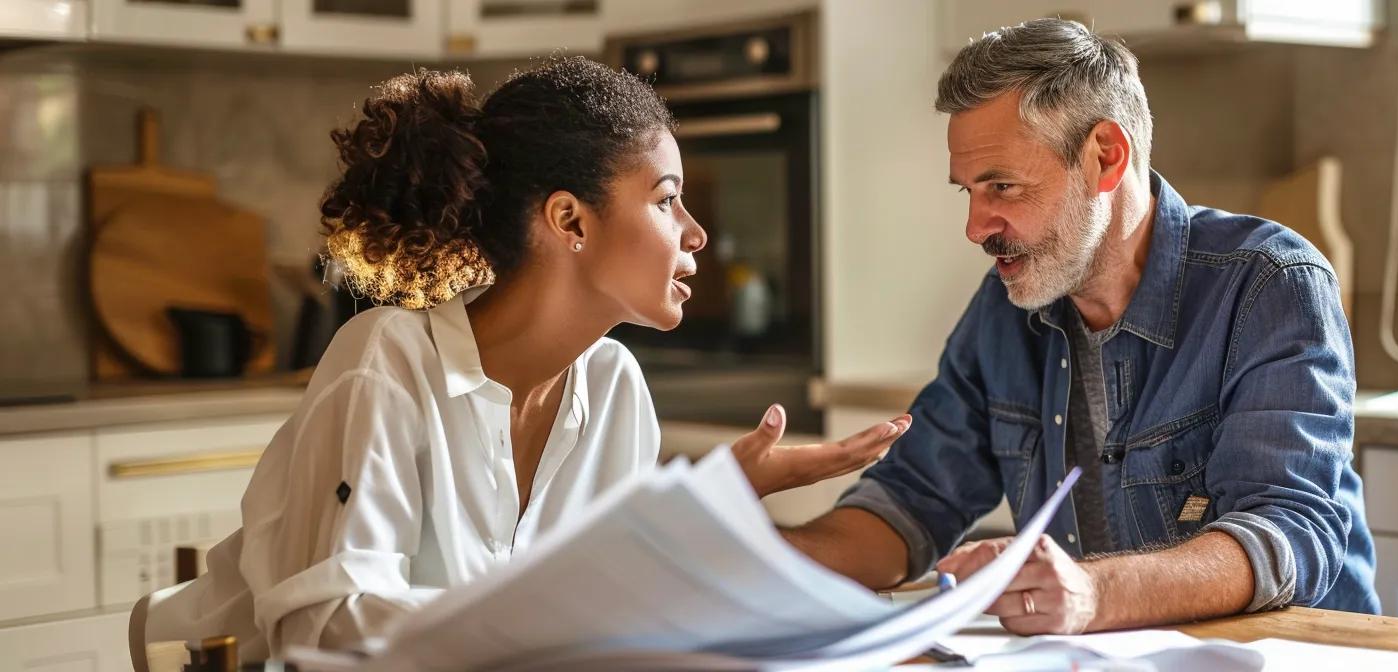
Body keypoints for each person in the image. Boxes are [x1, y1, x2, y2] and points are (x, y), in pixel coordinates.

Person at [143, 56, 909, 661]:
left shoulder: (612, 387)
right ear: (569, 219)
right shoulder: (385, 361)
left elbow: (612, 616)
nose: (696, 232)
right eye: (666, 198)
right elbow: (324, 633)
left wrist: (700, 528)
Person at [780, 19, 1377, 633]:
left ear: (1104, 156)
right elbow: (910, 500)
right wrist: (754, 561)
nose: (975, 226)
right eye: (969, 191)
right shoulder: (1004, 310)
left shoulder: (1267, 283)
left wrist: (1091, 592)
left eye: (1002, 186)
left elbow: (1287, 534)